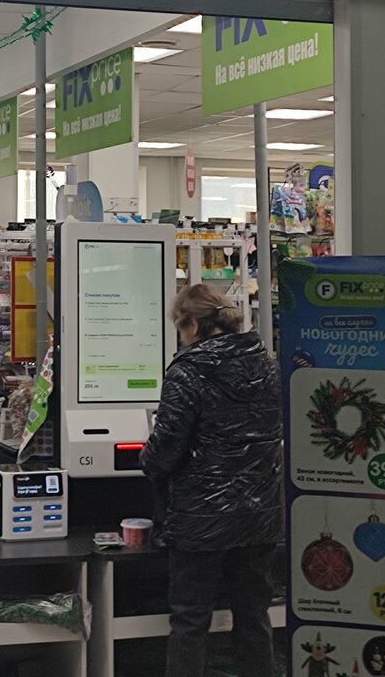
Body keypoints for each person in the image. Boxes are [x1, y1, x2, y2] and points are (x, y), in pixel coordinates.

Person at [140, 284, 282, 677]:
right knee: (254, 615)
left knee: (190, 620)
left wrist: (147, 461)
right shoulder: (266, 364)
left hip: (202, 518)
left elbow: (167, 445)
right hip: (260, 515)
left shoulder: (188, 370)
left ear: (192, 323)